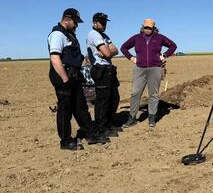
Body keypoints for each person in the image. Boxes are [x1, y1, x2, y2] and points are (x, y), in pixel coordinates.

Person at [48, 8, 108, 150]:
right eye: (75, 22)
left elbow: (72, 56)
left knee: (80, 107)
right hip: (64, 76)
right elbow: (55, 58)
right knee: (65, 109)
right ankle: (66, 140)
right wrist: (65, 79)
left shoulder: (69, 35)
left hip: (73, 75)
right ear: (67, 19)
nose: (77, 25)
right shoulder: (57, 34)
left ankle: (90, 134)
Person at [120, 19, 177, 128]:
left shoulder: (159, 38)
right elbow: (124, 47)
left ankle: (152, 118)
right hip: (139, 69)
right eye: (146, 27)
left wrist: (164, 55)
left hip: (155, 68)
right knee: (135, 93)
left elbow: (173, 46)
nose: (147, 29)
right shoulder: (136, 38)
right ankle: (132, 118)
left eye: (150, 28)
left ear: (154, 28)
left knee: (154, 94)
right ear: (143, 27)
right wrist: (131, 58)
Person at [86, 12, 121, 137]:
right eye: (101, 22)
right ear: (94, 22)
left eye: (105, 22)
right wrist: (108, 52)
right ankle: (101, 127)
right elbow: (107, 52)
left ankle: (109, 124)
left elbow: (115, 50)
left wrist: (109, 52)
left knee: (114, 98)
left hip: (109, 69)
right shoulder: (94, 35)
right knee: (103, 100)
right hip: (100, 70)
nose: (104, 24)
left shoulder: (104, 35)